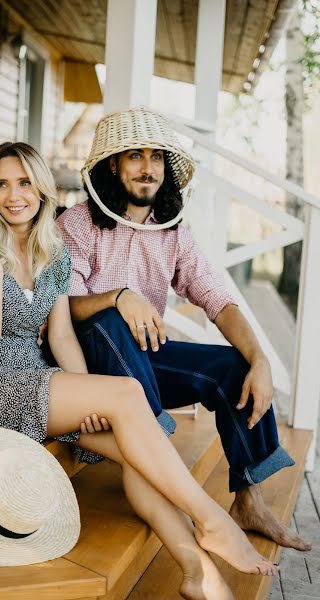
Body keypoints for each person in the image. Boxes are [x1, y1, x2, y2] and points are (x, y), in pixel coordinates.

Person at [0, 140, 279, 600]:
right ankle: (215, 522)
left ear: (41, 191)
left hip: (41, 383)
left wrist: (87, 394)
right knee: (126, 396)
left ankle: (195, 570)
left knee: (137, 448)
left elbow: (61, 336)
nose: (13, 195)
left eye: (24, 182)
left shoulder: (52, 253)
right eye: (2, 185)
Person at [57, 107, 311, 553]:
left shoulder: (173, 233)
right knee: (109, 319)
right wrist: (119, 296)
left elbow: (218, 298)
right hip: (90, 366)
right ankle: (161, 464)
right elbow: (67, 309)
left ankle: (249, 501)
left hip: (146, 360)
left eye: (156, 158)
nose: (147, 167)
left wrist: (261, 360)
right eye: (134, 156)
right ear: (113, 164)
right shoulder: (76, 223)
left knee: (234, 366)